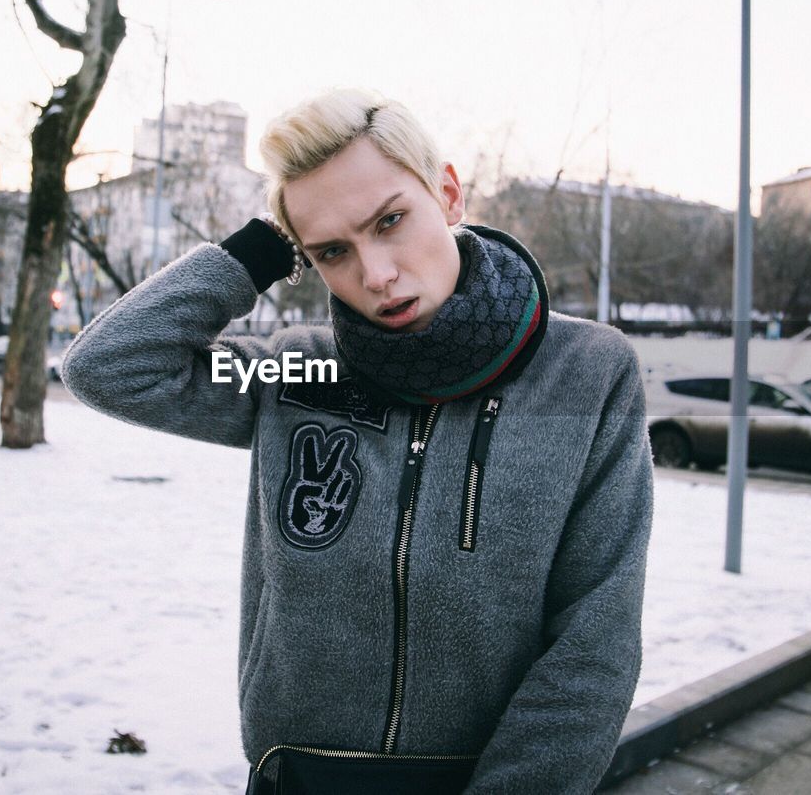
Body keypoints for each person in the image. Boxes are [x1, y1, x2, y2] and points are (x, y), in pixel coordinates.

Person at [61, 89, 653, 794]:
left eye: (391, 220)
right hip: (299, 779)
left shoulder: (586, 374)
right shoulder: (300, 369)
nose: (374, 276)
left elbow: (595, 642)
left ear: (450, 192)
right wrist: (262, 248)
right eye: (333, 251)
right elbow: (109, 366)